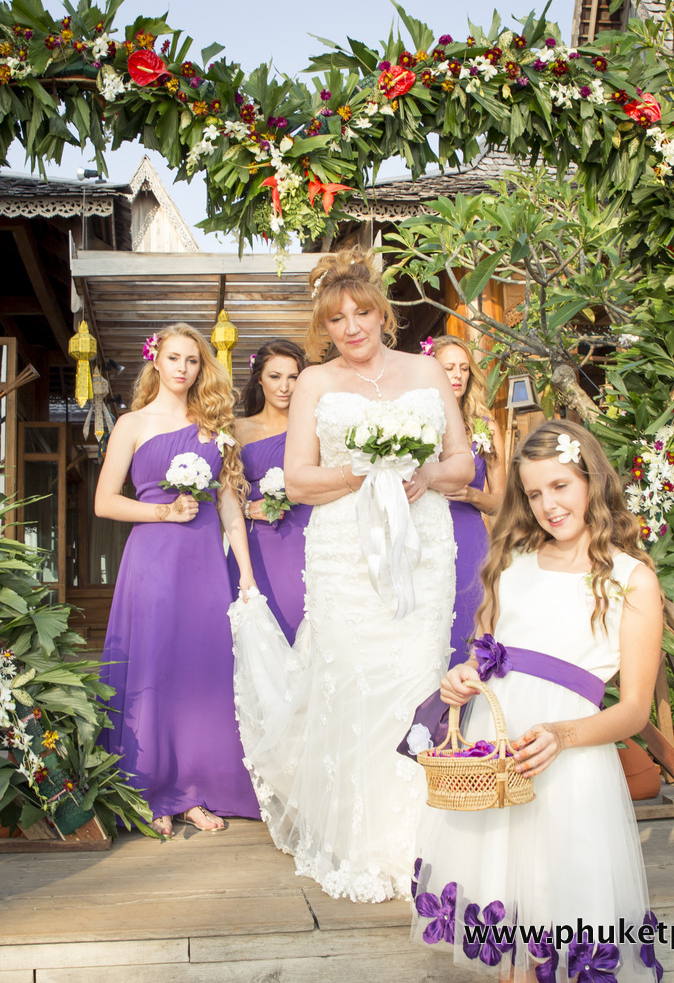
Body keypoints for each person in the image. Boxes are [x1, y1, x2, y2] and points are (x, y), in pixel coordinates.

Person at [231, 246, 475, 902]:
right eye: (336, 319)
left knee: (417, 675)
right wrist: (360, 472)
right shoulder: (314, 382)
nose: (351, 326)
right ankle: (358, 838)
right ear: (325, 327)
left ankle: (420, 837)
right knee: (353, 679)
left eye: (360, 311)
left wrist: (420, 474)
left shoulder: (426, 372)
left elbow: (463, 464)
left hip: (422, 547)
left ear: (380, 311)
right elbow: (300, 478)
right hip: (343, 548)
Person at [412, 420, 664, 982]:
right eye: (533, 493)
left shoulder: (630, 580)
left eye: (560, 486)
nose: (548, 505)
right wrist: (461, 678)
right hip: (499, 758)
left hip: (567, 763)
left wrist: (563, 734)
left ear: (590, 481)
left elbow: (635, 710)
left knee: (558, 909)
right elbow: (487, 656)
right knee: (509, 920)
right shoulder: (514, 566)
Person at [95, 322, 261, 836]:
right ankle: (149, 792)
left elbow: (231, 505)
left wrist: (247, 579)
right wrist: (164, 514)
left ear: (201, 366)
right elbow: (105, 502)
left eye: (192, 360)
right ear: (156, 361)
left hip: (204, 566)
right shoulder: (130, 424)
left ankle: (194, 789)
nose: (183, 369)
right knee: (154, 666)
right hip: (153, 559)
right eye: (174, 358)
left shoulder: (213, 426)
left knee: (202, 671)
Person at [430, 334, 503, 666]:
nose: (457, 376)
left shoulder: (485, 426)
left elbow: (500, 502)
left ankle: (470, 710)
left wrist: (474, 495)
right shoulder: (416, 423)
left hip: (470, 538)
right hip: (426, 536)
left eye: (463, 368)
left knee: (469, 626)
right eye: (448, 368)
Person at [235, 339, 311, 644]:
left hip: (307, 538)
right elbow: (223, 494)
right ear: (259, 379)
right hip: (257, 543)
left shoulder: (313, 428)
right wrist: (248, 509)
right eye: (275, 376)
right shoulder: (237, 429)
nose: (285, 387)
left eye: (293, 377)